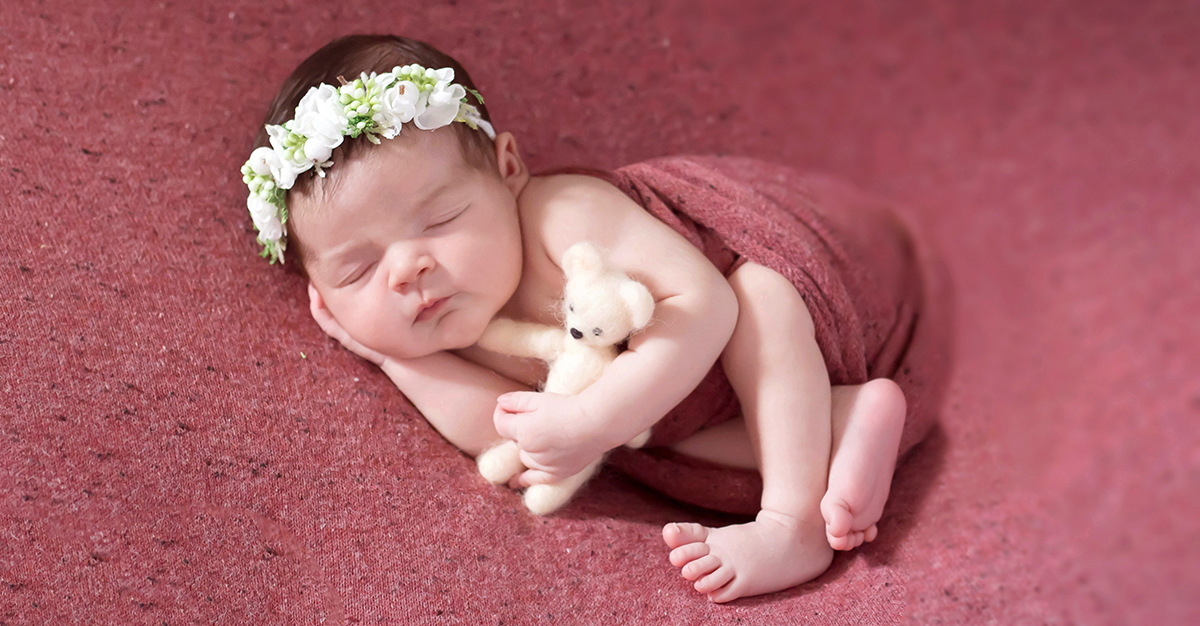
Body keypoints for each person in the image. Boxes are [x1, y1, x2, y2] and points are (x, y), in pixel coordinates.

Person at [241, 34, 946, 603]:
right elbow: (504, 428)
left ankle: (791, 522)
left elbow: (706, 303)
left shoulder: (559, 215)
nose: (407, 271)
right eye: (358, 271)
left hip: (765, 312)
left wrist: (591, 422)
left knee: (763, 296)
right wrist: (397, 357)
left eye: (441, 218)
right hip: (688, 402)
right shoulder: (442, 324)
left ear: (509, 168)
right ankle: (845, 419)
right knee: (661, 445)